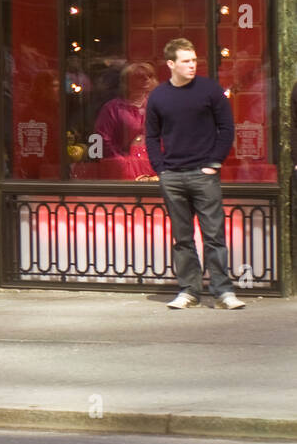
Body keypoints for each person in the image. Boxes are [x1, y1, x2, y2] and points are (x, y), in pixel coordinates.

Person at [145, 38, 243, 311]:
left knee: (214, 235)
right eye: (186, 61)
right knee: (183, 238)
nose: (192, 65)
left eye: (194, 60)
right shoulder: (159, 96)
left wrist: (213, 163)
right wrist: (161, 169)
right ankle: (189, 291)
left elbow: (226, 127)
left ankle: (223, 292)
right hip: (173, 175)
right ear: (170, 64)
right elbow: (151, 136)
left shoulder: (209, 90)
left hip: (204, 173)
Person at [93, 62, 157, 179]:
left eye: (149, 76)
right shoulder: (113, 108)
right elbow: (102, 140)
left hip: (154, 170)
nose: (146, 80)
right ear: (128, 82)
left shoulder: (156, 105)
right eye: (140, 77)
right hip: (124, 171)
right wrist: (122, 164)